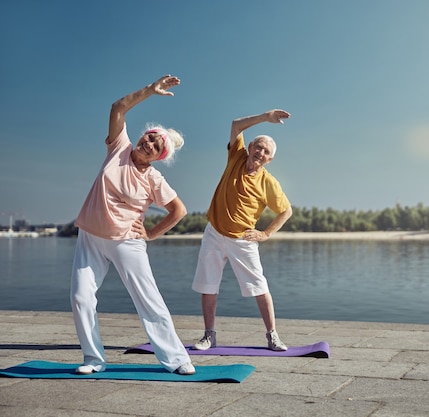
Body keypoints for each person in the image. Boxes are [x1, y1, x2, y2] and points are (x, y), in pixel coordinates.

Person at [70, 75, 195, 375]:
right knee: (80, 296)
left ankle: (178, 359)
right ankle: (93, 359)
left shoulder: (153, 178)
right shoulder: (119, 148)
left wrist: (151, 233)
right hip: (90, 236)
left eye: (155, 145)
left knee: (148, 300)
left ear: (159, 157)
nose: (148, 143)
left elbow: (179, 210)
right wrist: (150, 91)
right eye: (149, 137)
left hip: (127, 241)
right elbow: (117, 109)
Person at [192, 109, 293, 351]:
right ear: (249, 147)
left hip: (243, 240)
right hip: (214, 233)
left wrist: (265, 234)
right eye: (258, 147)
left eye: (266, 152)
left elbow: (286, 211)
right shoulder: (236, 156)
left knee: (260, 287)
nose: (260, 152)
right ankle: (209, 335)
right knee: (208, 285)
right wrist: (265, 117)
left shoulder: (269, 182)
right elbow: (236, 124)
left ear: (270, 159)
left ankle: (272, 336)